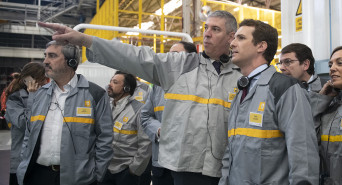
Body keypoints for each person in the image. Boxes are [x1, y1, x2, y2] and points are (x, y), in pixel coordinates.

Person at [39, 10, 242, 185]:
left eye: (215, 29)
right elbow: (134, 56)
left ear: (231, 36)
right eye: (206, 28)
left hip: (228, 168)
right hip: (187, 169)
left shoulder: (242, 74)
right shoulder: (181, 66)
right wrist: (84, 39)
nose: (207, 34)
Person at [219, 19, 319, 185]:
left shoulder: (284, 88)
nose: (232, 44)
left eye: (241, 38)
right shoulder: (241, 90)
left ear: (261, 46)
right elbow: (232, 148)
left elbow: (302, 149)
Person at [16, 41, 113, 185]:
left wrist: (96, 174)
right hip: (38, 175)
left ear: (71, 61)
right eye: (45, 56)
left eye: (52, 56)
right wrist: (23, 163)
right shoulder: (40, 94)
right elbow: (29, 135)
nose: (45, 61)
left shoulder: (95, 94)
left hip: (78, 179)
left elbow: (105, 139)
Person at [140, 41, 197, 185]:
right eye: (169, 55)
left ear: (190, 58)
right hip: (161, 163)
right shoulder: (158, 86)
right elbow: (145, 115)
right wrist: (159, 130)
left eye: (175, 55)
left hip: (189, 164)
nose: (170, 59)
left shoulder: (200, 85)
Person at [102, 71, 151, 185]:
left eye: (115, 82)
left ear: (126, 88)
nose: (110, 84)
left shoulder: (139, 110)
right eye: (110, 81)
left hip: (126, 171)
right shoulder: (105, 107)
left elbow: (145, 143)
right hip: (105, 168)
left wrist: (134, 169)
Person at [312, 45, 342, 185]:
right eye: (330, 64)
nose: (332, 68)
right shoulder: (333, 106)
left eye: (339, 63)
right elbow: (308, 138)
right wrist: (321, 100)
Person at [4, 63, 48, 185]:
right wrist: (32, 96)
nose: (45, 83)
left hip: (39, 161)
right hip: (21, 162)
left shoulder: (43, 97)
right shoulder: (14, 100)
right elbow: (25, 124)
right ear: (29, 80)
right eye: (42, 79)